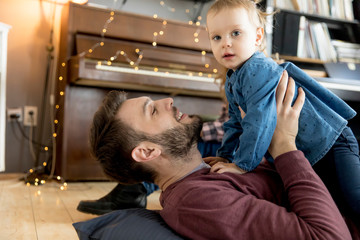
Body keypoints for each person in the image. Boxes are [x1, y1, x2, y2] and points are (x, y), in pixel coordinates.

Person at [88, 71, 353, 239]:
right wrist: (284, 145)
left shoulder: (212, 171)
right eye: (153, 111)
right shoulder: (196, 201)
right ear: (147, 151)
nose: (167, 101)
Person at [205, 0, 360, 216]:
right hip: (312, 152)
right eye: (217, 37)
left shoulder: (256, 69)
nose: (225, 43)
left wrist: (242, 165)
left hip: (333, 142)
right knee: (339, 208)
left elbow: (258, 120)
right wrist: (225, 156)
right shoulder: (233, 78)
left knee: (355, 200)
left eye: (236, 33)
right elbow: (235, 123)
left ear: (258, 37)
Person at [77, 105, 228, 215]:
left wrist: (197, 128)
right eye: (152, 110)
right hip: (225, 137)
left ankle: (132, 193)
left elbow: (241, 127)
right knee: (172, 136)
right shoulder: (234, 78)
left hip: (234, 140)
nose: (169, 100)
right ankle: (132, 192)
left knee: (176, 136)